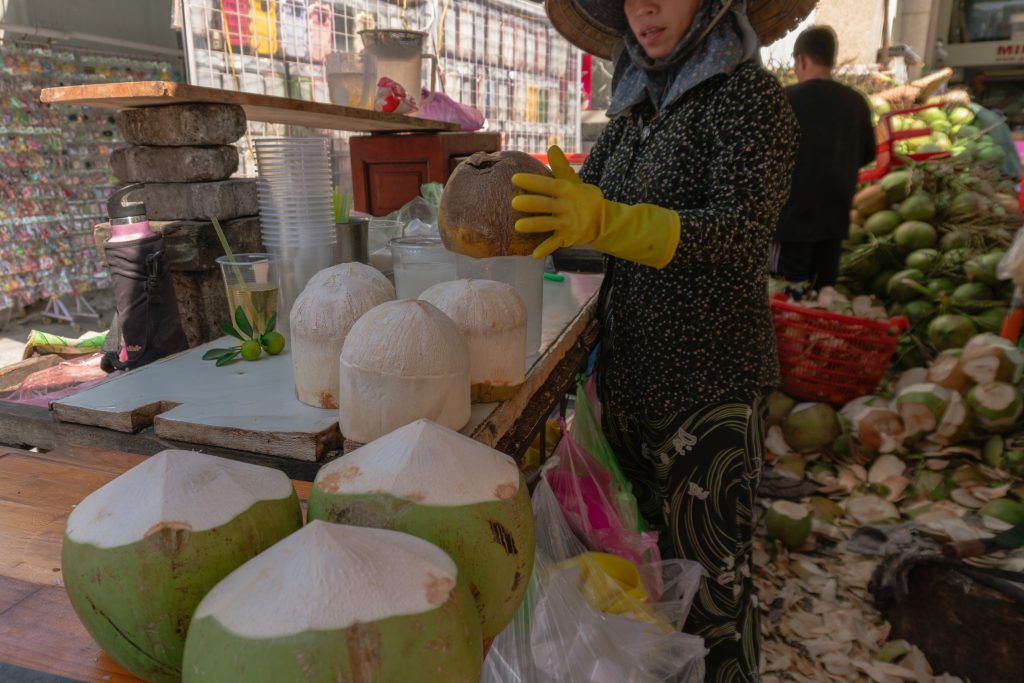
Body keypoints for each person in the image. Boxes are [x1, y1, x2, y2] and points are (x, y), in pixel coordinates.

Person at [510, 0, 799, 679]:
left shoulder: (749, 100)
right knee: (650, 572)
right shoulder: (634, 109)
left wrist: (613, 222)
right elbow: (584, 209)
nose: (644, 8)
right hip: (631, 379)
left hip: (709, 388)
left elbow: (740, 231)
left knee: (714, 583)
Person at [771, 26, 876, 289]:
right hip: (833, 227)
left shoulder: (783, 100)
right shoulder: (856, 103)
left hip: (788, 228)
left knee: (782, 299)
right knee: (821, 305)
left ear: (802, 60)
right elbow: (868, 155)